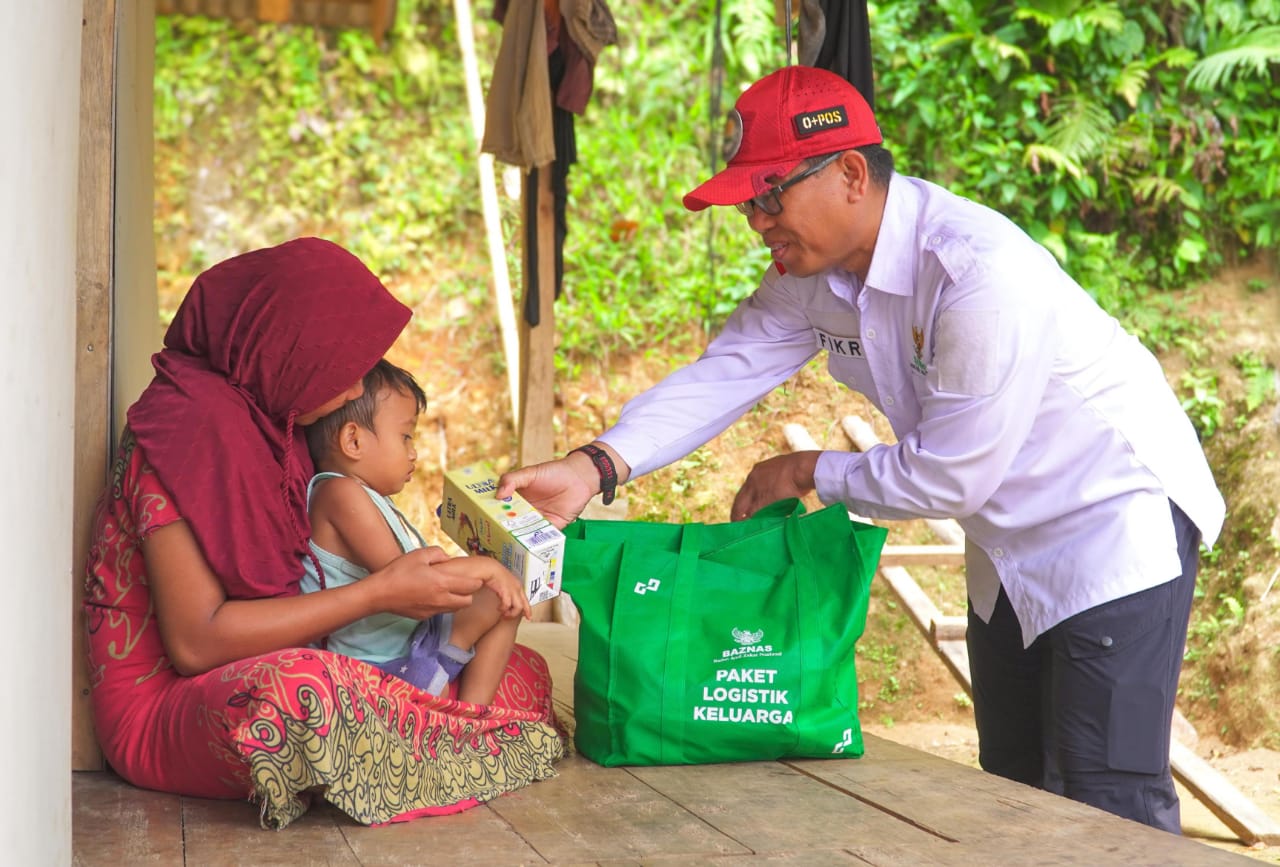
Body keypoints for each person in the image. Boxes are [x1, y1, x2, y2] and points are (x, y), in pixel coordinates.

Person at [498, 65, 1225, 833]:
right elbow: (729, 368)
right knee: (1015, 783)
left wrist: (809, 468)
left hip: (1109, 523)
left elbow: (951, 475)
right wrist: (594, 464)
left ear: (849, 172)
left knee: (1106, 792)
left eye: (770, 195)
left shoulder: (977, 274)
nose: (757, 222)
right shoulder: (815, 273)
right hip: (1007, 545)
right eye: (749, 202)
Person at [83, 237, 563, 830]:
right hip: (169, 702)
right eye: (344, 366)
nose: (355, 391)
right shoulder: (185, 439)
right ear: (288, 350)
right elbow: (195, 645)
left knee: (519, 671)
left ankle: (428, 729)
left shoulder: (274, 424)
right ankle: (435, 733)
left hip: (296, 651)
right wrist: (377, 595)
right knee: (304, 693)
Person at [301, 359, 531, 704]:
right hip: (370, 664)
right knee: (497, 580)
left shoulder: (370, 496)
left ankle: (473, 715)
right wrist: (487, 567)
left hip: (413, 638)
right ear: (353, 440)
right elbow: (413, 582)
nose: (414, 452)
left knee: (506, 598)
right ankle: (441, 695)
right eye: (405, 436)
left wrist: (492, 568)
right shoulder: (339, 494)